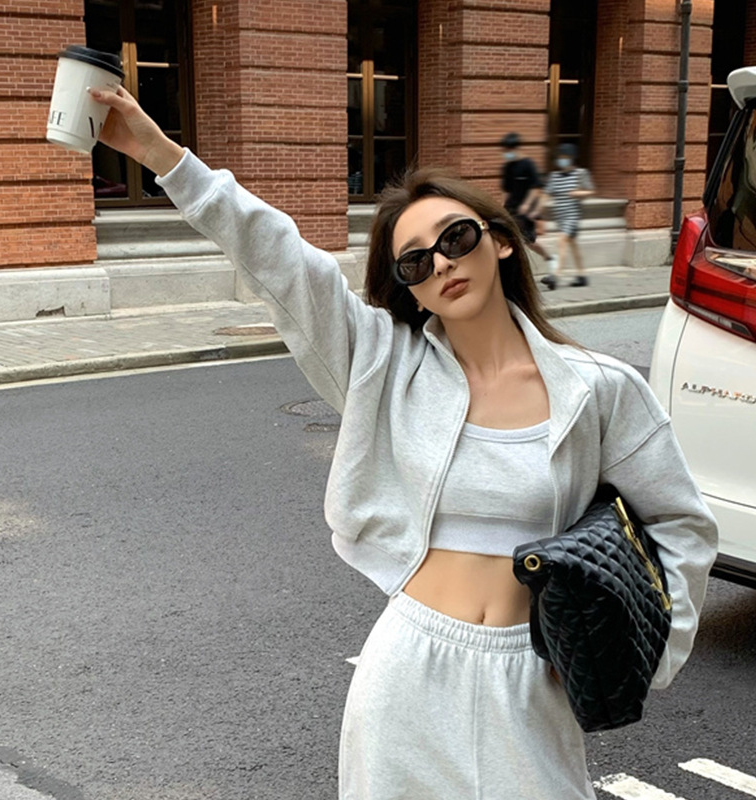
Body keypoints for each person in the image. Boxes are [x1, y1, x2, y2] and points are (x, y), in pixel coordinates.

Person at [88, 85, 717, 800]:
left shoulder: (598, 388)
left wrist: (651, 654)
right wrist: (163, 157)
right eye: (414, 262)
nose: (440, 264)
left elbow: (681, 523)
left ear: (500, 240)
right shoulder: (383, 363)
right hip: (409, 665)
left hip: (533, 675)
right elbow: (284, 261)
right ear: (409, 289)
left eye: (456, 238)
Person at [541, 142, 595, 290]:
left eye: (565, 157)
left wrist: (579, 193)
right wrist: (538, 209)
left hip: (573, 215)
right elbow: (546, 194)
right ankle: (582, 275)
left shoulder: (580, 174)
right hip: (560, 216)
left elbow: (590, 191)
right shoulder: (554, 176)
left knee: (562, 241)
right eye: (560, 157)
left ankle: (556, 276)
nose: (562, 160)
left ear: (572, 158)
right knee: (572, 245)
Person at [500, 132, 556, 269]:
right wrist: (503, 207)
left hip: (527, 211)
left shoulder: (528, 164)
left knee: (529, 241)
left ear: (516, 148)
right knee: (508, 237)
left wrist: (527, 204)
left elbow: (536, 187)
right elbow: (506, 190)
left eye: (509, 150)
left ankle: (549, 257)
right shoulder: (507, 167)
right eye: (505, 150)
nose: (506, 153)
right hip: (511, 208)